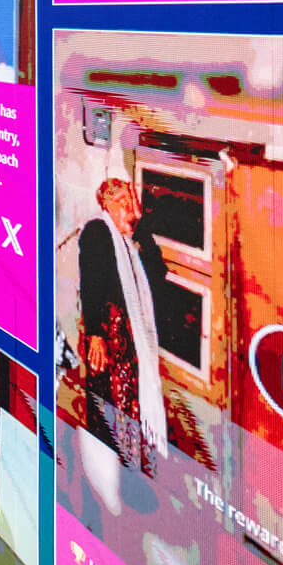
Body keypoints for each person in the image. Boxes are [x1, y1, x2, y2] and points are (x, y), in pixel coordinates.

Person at [78, 178, 168, 480]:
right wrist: (95, 334)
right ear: (107, 205)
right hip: (108, 341)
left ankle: (130, 471)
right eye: (123, 203)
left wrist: (139, 224)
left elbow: (160, 273)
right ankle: (108, 471)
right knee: (109, 406)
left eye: (131, 203)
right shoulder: (97, 231)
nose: (130, 209)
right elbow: (90, 283)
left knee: (131, 405)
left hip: (130, 348)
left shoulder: (131, 244)